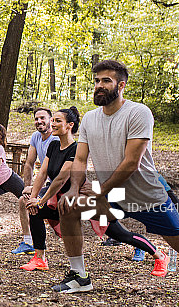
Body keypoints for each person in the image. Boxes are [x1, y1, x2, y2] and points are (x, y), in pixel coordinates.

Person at [55, 60, 179, 296]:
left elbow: (131, 163)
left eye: (106, 81)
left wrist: (100, 191)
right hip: (115, 196)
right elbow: (80, 160)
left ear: (121, 86)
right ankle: (80, 276)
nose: (99, 86)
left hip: (148, 197)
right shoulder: (90, 119)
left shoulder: (138, 113)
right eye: (97, 81)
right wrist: (73, 189)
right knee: (69, 207)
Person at [22, 107, 164, 274]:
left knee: (119, 234)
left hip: (83, 197)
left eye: (57, 121)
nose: (52, 124)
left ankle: (159, 255)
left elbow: (61, 179)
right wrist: (33, 199)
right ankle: (40, 258)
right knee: (36, 212)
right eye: (52, 120)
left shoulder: (75, 149)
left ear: (70, 125)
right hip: (61, 201)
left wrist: (40, 200)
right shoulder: (53, 146)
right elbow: (43, 173)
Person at [12, 108, 56, 254]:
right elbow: (29, 163)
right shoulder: (36, 137)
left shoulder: (55, 139)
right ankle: (28, 242)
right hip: (48, 182)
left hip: (59, 184)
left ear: (51, 119)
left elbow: (46, 171)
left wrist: (34, 192)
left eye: (43, 118)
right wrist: (27, 187)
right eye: (36, 119)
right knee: (24, 200)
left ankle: (38, 247)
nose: (39, 121)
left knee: (33, 204)